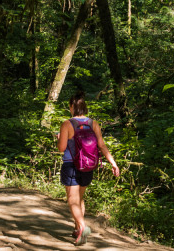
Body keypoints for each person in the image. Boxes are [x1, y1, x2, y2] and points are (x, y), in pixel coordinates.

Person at [57, 92, 119, 245]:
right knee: (80, 199)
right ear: (84, 107)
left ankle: (83, 227)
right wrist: (113, 163)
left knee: (72, 200)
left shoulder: (67, 124)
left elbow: (61, 148)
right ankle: (78, 229)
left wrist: (59, 139)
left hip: (71, 165)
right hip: (88, 166)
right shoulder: (93, 124)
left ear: (72, 107)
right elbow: (102, 146)